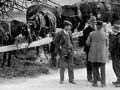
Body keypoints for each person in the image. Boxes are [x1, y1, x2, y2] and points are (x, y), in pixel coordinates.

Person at [86, 20, 109, 87]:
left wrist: (93, 45)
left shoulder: (91, 33)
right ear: (102, 26)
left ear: (96, 26)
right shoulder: (106, 34)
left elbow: (87, 43)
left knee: (94, 68)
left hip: (93, 54)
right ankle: (103, 83)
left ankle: (95, 83)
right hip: (102, 54)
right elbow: (107, 44)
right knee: (103, 69)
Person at [54, 20, 76, 84]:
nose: (70, 27)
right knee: (62, 66)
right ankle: (62, 80)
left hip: (70, 50)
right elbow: (55, 42)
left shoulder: (70, 33)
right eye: (69, 26)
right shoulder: (59, 33)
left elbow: (71, 41)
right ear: (65, 26)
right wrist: (60, 48)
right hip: (63, 51)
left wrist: (72, 48)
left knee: (71, 65)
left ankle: (71, 80)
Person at [83, 15, 100, 82]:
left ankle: (97, 76)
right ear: (89, 22)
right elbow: (85, 40)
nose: (94, 24)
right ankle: (89, 77)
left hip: (96, 49)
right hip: (89, 49)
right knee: (89, 63)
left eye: (95, 22)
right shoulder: (86, 30)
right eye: (92, 22)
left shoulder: (97, 29)